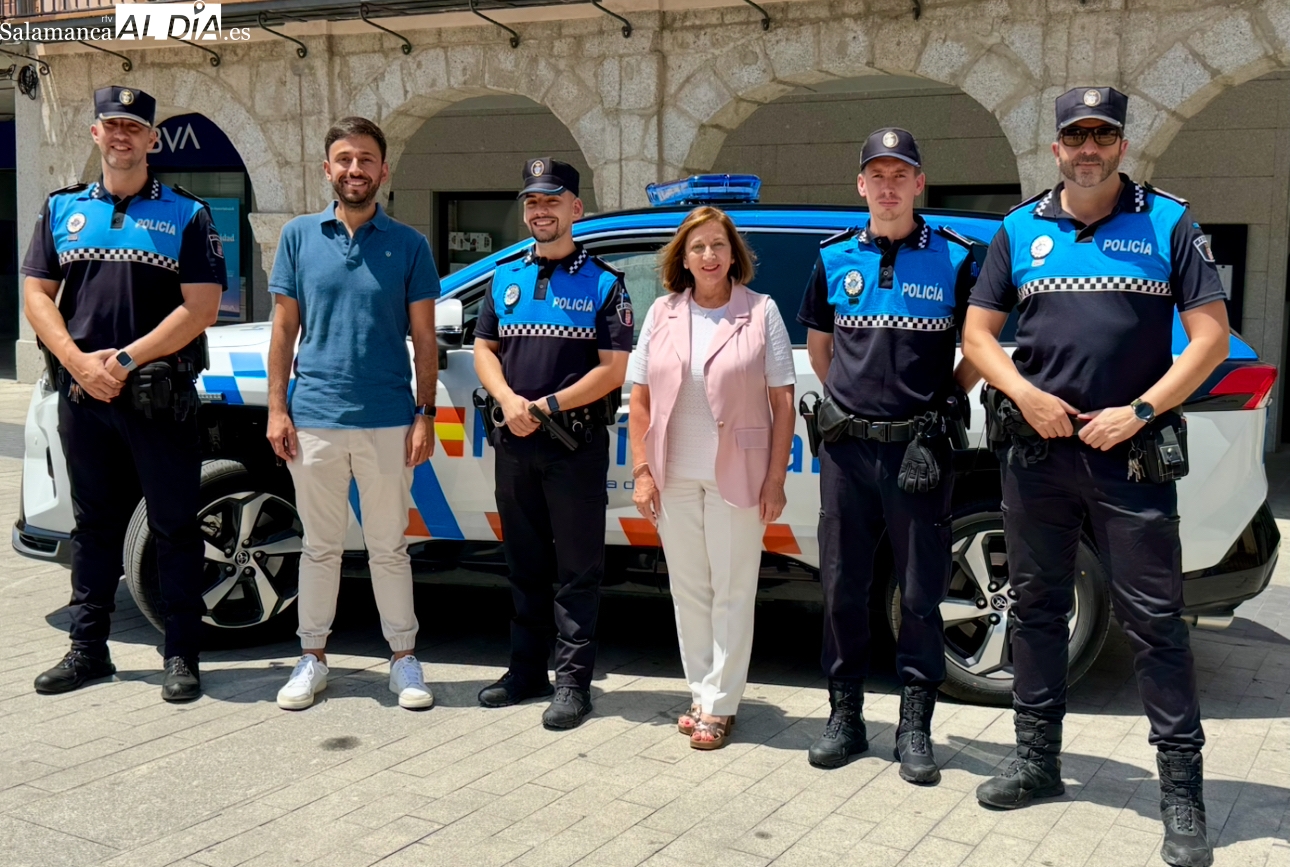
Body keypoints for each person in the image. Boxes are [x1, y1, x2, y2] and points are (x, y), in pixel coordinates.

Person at [962, 87, 1228, 867]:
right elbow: (978, 335)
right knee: (1037, 609)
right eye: (1075, 136)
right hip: (1037, 454)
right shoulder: (1019, 229)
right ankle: (1037, 761)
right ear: (1055, 148)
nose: (1088, 149)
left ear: (1120, 146)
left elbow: (1210, 338)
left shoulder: (1169, 223)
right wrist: (1025, 394)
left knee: (1157, 622)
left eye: (1101, 136)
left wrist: (1139, 410)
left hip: (1129, 453)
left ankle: (1182, 794)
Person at [24, 86, 225, 702]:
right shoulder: (60, 209)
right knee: (93, 528)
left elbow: (202, 307)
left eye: (134, 127)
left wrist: (126, 360)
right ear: (95, 133)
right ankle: (88, 649)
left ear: (152, 140)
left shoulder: (187, 213)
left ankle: (182, 653)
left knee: (174, 527)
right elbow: (36, 294)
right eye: (112, 125)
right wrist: (77, 362)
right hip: (84, 396)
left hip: (157, 399)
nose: (121, 136)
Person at [797, 128, 979, 780]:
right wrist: (849, 404)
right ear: (861, 184)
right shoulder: (833, 257)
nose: (889, 186)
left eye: (901, 174)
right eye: (877, 174)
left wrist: (943, 403)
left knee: (922, 592)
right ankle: (844, 718)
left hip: (919, 453)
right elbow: (821, 348)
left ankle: (915, 726)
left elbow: (979, 345)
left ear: (919, 183)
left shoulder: (957, 258)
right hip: (848, 452)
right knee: (842, 587)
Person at [266, 117, 440, 711]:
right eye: (344, 159)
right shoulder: (298, 236)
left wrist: (424, 414)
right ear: (327, 169)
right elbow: (284, 329)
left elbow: (425, 337)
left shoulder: (409, 245)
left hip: (389, 418)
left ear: (383, 170)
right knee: (321, 546)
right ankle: (311, 657)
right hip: (314, 417)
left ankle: (403, 659)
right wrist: (277, 409)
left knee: (390, 547)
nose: (355, 169)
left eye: (366, 159)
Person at [627, 206, 795, 751]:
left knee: (732, 591)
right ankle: (700, 694)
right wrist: (643, 471)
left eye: (718, 245)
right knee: (689, 590)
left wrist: (775, 477)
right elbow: (640, 399)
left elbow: (783, 400)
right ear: (682, 257)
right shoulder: (662, 312)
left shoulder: (761, 311)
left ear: (733, 253)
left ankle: (722, 705)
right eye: (697, 246)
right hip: (673, 473)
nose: (708, 255)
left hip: (738, 474)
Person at [473, 157, 632, 729]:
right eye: (533, 202)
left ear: (576, 209)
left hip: (574, 444)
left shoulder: (605, 283)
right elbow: (485, 349)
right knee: (524, 563)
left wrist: (547, 406)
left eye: (553, 200)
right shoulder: (504, 277)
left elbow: (614, 368)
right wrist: (509, 400)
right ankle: (525, 672)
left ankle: (572, 683)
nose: (541, 210)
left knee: (577, 570)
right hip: (515, 441)